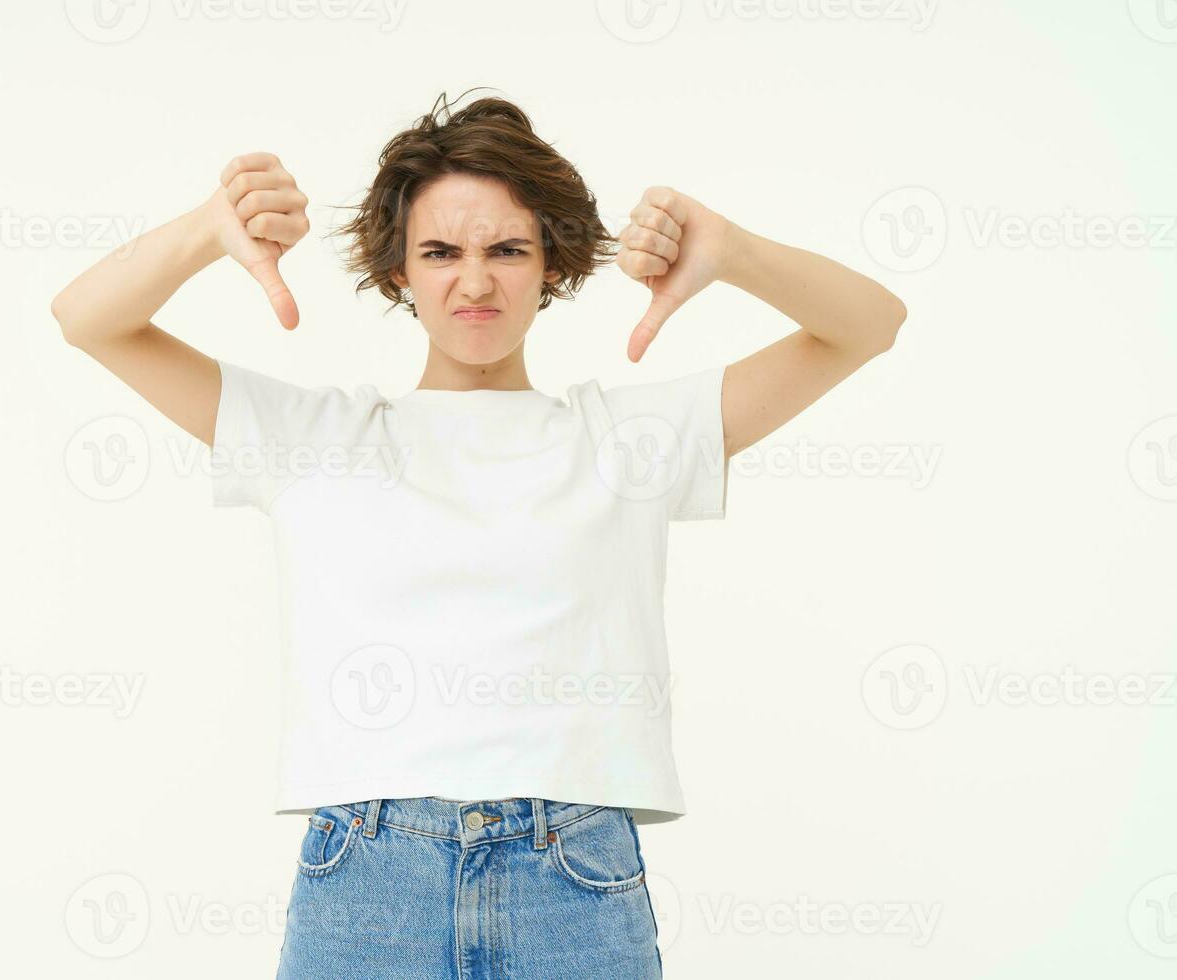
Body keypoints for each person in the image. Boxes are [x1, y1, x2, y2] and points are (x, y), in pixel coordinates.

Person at [50, 88, 906, 979]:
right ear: (397, 273)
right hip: (367, 886)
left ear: (551, 266)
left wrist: (733, 253)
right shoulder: (313, 441)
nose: (474, 280)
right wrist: (204, 230)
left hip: (572, 882)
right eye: (439, 251)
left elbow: (869, 326)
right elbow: (87, 319)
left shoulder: (625, 440)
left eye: (506, 249)